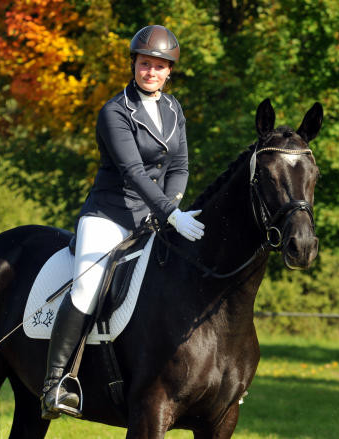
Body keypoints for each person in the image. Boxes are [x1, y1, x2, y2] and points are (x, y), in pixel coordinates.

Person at [41, 25, 205, 419]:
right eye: (145, 64)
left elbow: (180, 165)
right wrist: (170, 213)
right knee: (86, 287)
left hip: (154, 217)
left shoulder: (173, 109)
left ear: (169, 72)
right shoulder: (114, 111)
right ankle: (55, 383)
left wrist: (173, 208)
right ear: (134, 65)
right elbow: (132, 171)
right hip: (110, 215)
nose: (151, 71)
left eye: (159, 66)